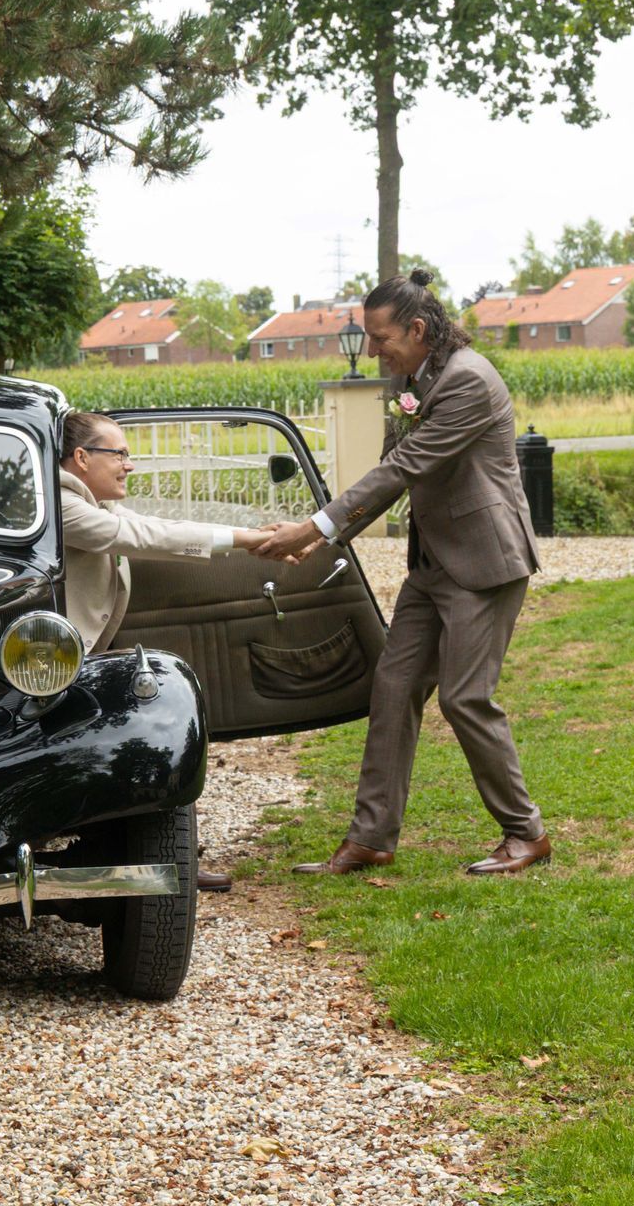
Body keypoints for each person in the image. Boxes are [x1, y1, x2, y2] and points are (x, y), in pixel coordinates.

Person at [256, 269, 548, 876]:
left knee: (467, 698)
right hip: (433, 562)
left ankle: (526, 833)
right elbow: (391, 467)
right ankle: (371, 839)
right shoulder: (412, 378)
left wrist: (314, 528)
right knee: (393, 690)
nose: (372, 350)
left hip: (483, 564)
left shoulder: (468, 381)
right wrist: (327, 535)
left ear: (418, 329)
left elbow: (405, 466)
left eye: (381, 338)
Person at [59, 411, 282, 892]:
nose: (129, 465)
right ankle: (147, 852)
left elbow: (158, 524)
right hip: (49, 667)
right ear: (81, 458)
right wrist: (250, 540)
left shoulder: (89, 501)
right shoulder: (62, 504)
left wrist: (252, 539)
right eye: (118, 453)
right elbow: (142, 538)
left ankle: (160, 848)